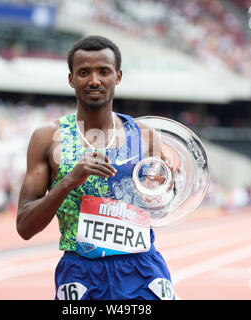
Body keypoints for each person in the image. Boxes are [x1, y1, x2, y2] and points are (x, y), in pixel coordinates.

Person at [16, 35, 175, 300]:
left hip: (143, 271)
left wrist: (167, 188)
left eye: (104, 71)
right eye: (84, 72)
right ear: (71, 79)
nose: (94, 80)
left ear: (118, 76)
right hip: (82, 276)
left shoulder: (145, 136)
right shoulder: (47, 137)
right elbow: (24, 227)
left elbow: (163, 208)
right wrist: (69, 180)